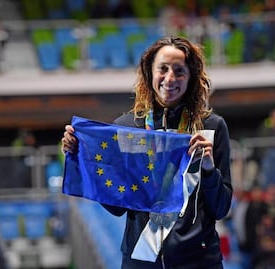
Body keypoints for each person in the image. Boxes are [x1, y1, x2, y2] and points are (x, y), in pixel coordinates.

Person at [62, 36, 233, 269]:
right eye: (162, 69)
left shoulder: (211, 127)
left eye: (179, 70)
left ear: (191, 77)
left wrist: (209, 170)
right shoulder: (127, 129)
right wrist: (82, 155)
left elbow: (221, 208)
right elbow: (117, 207)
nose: (170, 78)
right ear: (150, 72)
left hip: (199, 261)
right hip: (141, 260)